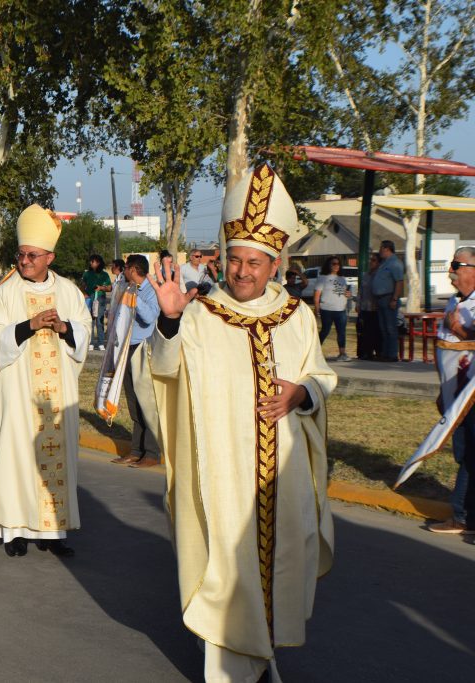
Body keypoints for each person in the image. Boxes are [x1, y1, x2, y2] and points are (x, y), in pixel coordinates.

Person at [141, 164, 335, 681]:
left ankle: (261, 659)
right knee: (229, 571)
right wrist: (168, 321)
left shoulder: (299, 317)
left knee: (278, 567)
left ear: (274, 265)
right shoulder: (200, 315)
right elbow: (163, 371)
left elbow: (322, 377)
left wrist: (303, 393)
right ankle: (230, 672)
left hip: (282, 476)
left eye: (254, 262)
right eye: (235, 260)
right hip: (223, 478)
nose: (243, 271)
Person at [0, 205, 92, 558]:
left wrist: (64, 328)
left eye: (32, 255)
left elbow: (85, 332)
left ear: (49, 257)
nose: (24, 261)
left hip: (56, 398)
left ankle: (53, 533)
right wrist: (29, 325)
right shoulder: (5, 294)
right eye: (21, 254)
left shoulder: (70, 292)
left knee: (54, 463)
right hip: (17, 393)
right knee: (16, 460)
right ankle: (14, 532)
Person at [428, 248, 475, 535]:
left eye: (457, 264)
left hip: (472, 394)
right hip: (456, 394)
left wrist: (460, 332)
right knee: (464, 453)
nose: (452, 270)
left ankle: (461, 515)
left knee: (471, 454)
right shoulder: (454, 303)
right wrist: (442, 392)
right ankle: (464, 516)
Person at [108, 254, 161, 467]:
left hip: (143, 349)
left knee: (147, 402)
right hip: (126, 348)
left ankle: (152, 452)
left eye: (126, 268)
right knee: (133, 403)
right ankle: (136, 450)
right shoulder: (126, 287)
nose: (123, 272)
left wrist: (134, 297)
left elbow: (149, 317)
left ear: (133, 269)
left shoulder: (151, 290)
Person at [314, 256, 352, 361]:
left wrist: (348, 294)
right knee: (325, 330)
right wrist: (317, 308)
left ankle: (342, 353)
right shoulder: (323, 278)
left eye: (338, 264)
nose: (336, 266)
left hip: (340, 309)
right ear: (328, 265)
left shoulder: (342, 279)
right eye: (333, 264)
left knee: (342, 331)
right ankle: (314, 351)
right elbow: (317, 295)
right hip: (327, 309)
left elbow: (344, 293)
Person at [372, 239, 404, 362]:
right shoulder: (384, 263)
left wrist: (394, 299)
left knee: (391, 328)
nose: (379, 251)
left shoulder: (395, 263)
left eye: (381, 248)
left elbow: (399, 282)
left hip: (389, 298)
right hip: (380, 299)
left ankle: (392, 355)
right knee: (383, 328)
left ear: (386, 249)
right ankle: (385, 353)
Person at [81, 254, 111, 350]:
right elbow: (82, 284)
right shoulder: (86, 274)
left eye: (92, 261)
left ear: (98, 263)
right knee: (90, 321)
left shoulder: (104, 275)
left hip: (100, 299)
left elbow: (110, 288)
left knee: (99, 321)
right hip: (89, 299)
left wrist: (101, 288)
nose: (91, 263)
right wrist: (84, 293)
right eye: (90, 261)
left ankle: (101, 342)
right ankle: (90, 342)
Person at [356, 253, 382, 361]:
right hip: (365, 308)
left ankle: (378, 352)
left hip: (376, 308)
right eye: (371, 260)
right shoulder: (366, 275)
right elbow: (360, 291)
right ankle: (366, 352)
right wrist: (358, 304)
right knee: (365, 332)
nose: (371, 262)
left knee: (375, 332)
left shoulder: (380, 275)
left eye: (374, 260)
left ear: (379, 263)